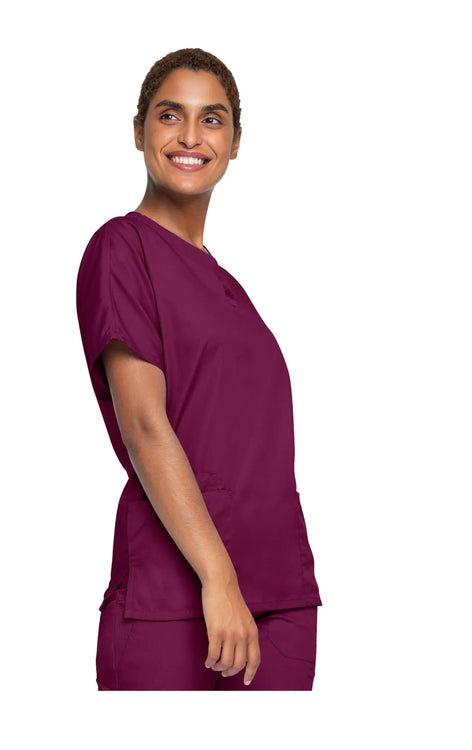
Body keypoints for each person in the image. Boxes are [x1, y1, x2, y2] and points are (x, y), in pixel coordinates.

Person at [76, 48, 322, 691]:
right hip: (180, 596)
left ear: (235, 142)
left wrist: (258, 582)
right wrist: (219, 576)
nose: (190, 136)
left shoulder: (229, 285)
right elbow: (144, 425)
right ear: (139, 131)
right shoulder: (122, 248)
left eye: (211, 119)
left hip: (281, 595)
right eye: (169, 115)